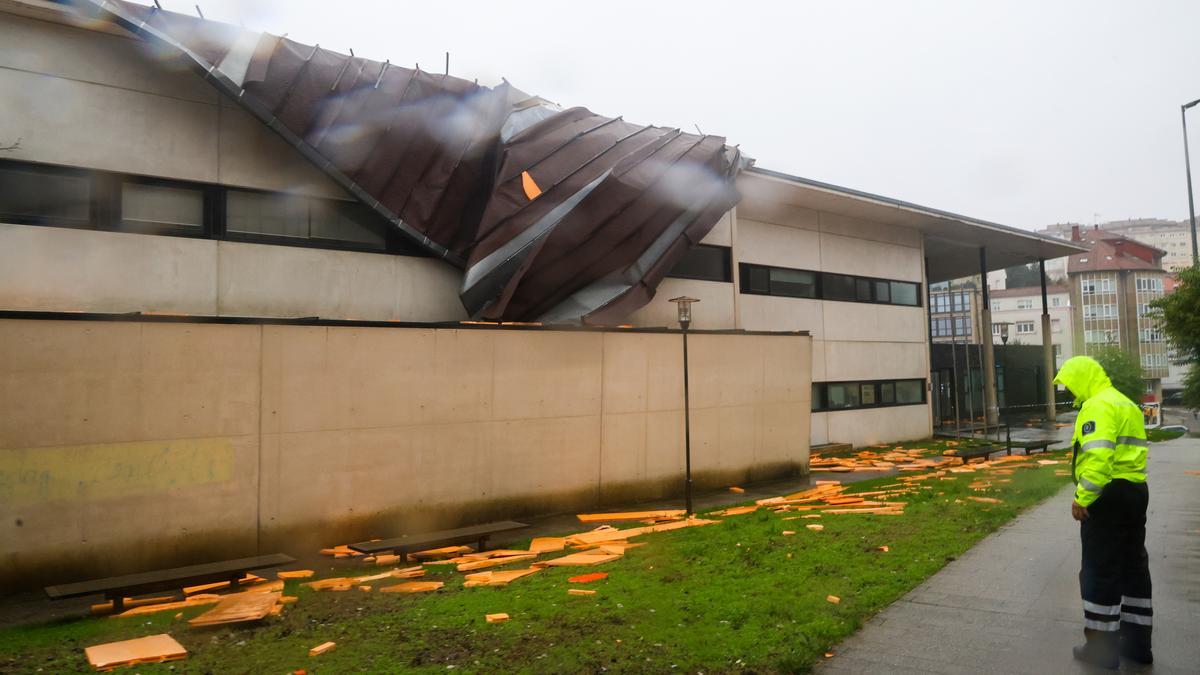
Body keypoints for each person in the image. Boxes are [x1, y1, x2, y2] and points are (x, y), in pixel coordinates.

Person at [1053, 356, 1152, 669]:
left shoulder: (1096, 406)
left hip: (1107, 496)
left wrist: (1083, 497)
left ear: (1083, 377)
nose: (1069, 391)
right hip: (1135, 491)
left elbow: (1098, 460)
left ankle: (1102, 651)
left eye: (1069, 384)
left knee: (1100, 569)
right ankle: (1137, 646)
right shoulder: (1125, 403)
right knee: (1134, 567)